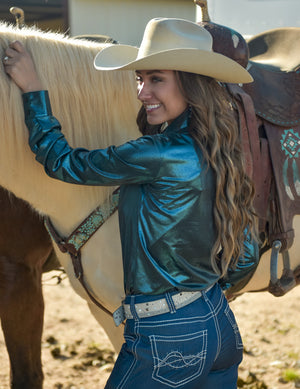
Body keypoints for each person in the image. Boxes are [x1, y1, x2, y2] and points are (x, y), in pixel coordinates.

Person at [4, 17, 259, 389]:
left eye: (156, 79)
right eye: (140, 79)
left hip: (165, 338)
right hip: (218, 325)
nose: (141, 93)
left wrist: (34, 90)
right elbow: (247, 252)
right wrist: (202, 303)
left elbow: (63, 162)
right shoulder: (219, 148)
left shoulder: (157, 154)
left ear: (189, 83)